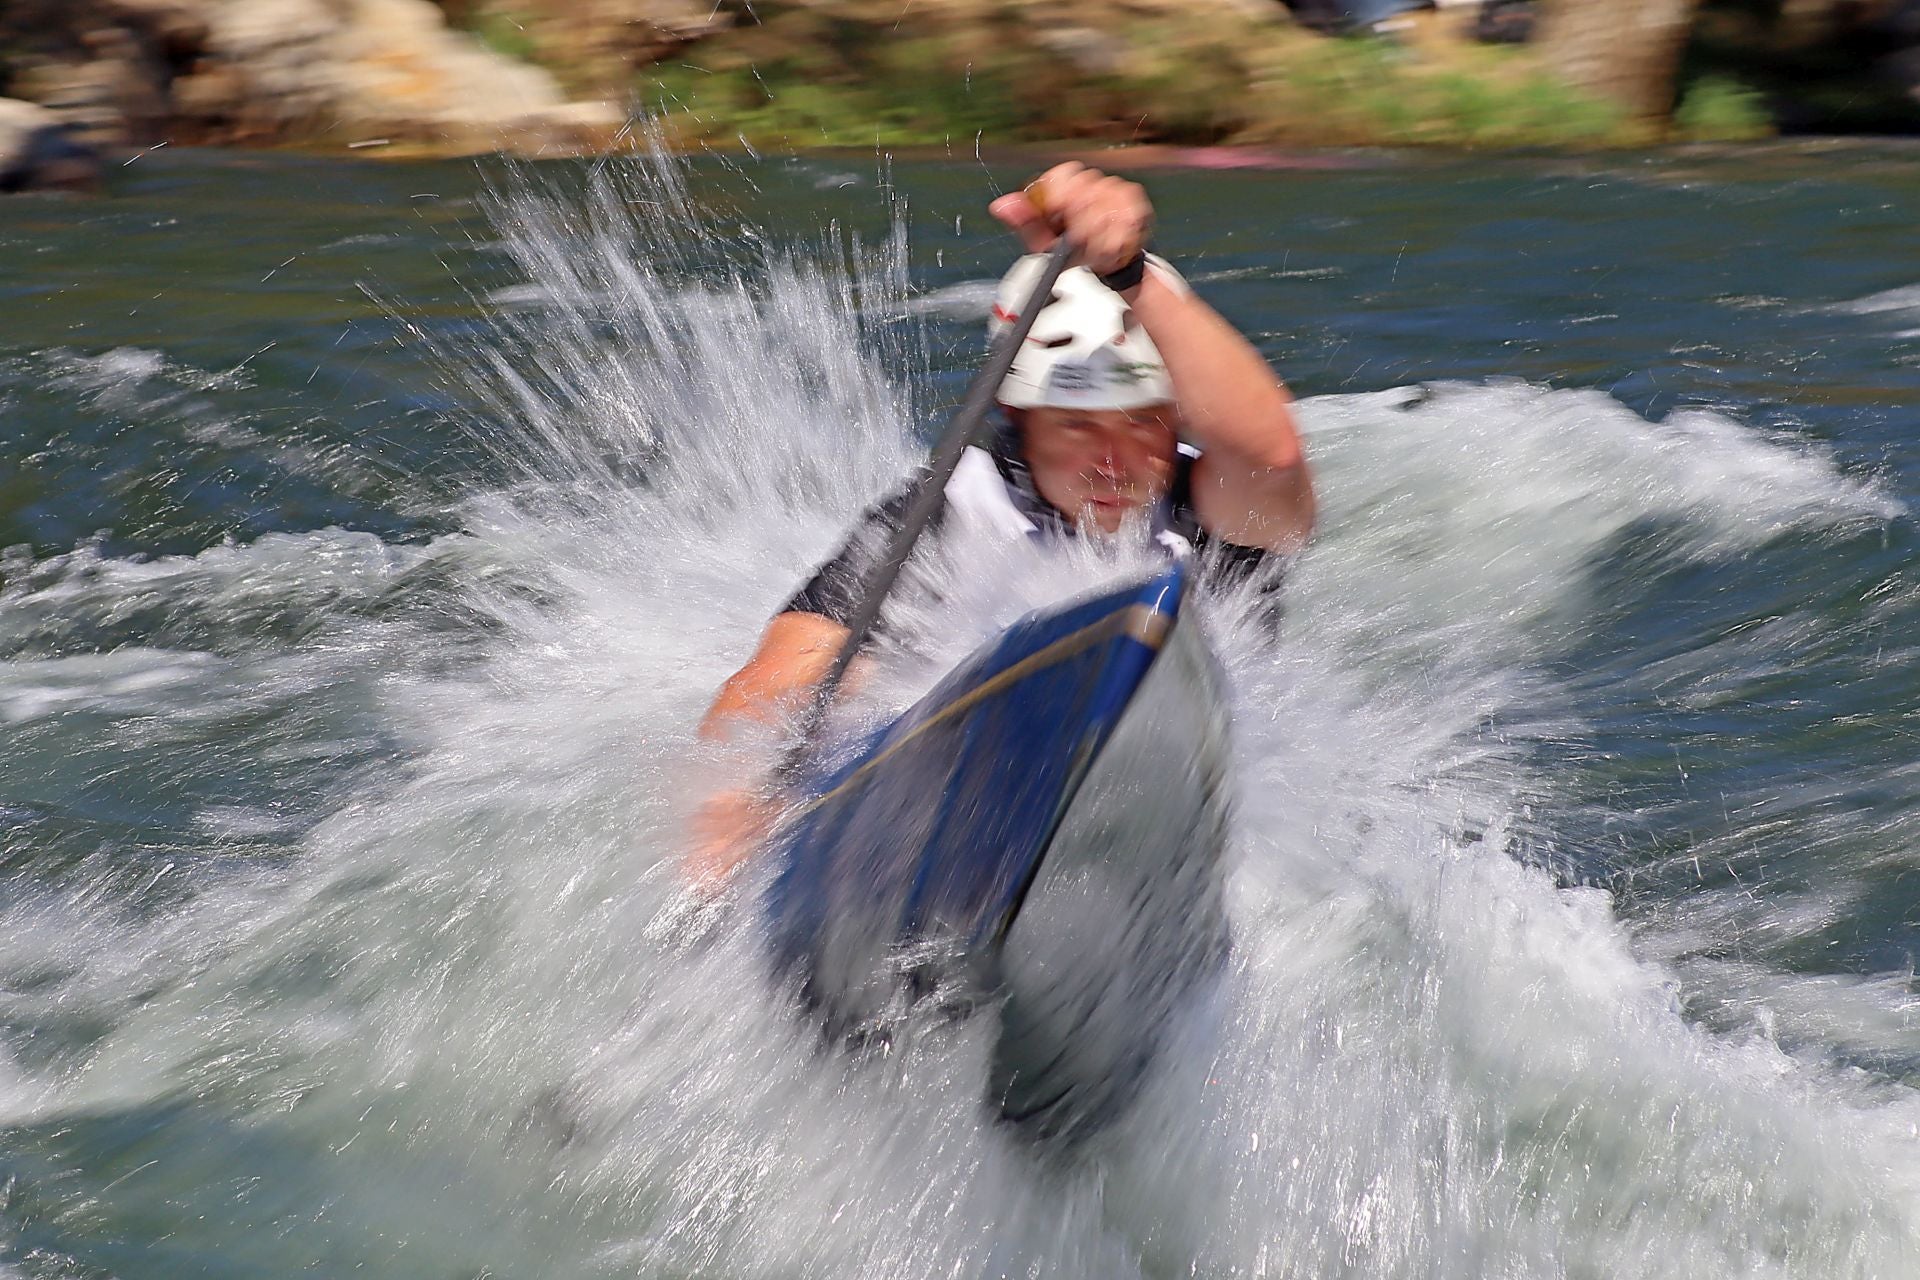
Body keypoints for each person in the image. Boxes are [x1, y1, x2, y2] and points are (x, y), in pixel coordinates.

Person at [688, 161, 1315, 884]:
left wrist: (1128, 274)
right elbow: (785, 672)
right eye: (1078, 428)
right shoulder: (954, 505)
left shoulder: (1219, 512)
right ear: (1019, 418)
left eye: (1142, 424)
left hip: (1193, 821)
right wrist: (726, 836)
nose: (1113, 462)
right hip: (971, 814)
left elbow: (1272, 451)